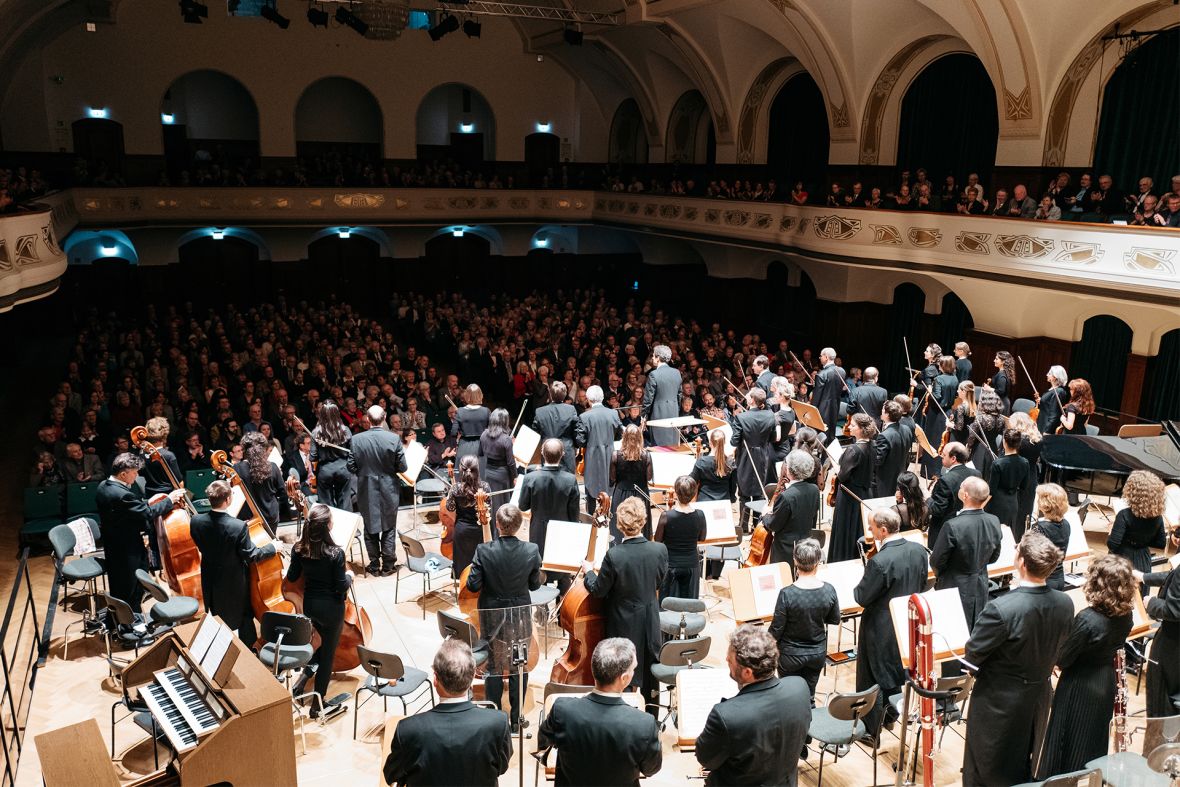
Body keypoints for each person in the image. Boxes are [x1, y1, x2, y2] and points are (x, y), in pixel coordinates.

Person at [961, 531, 1074, 787]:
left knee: (985, 765)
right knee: (1025, 760)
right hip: (1039, 695)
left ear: (1022, 563)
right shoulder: (1065, 602)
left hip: (998, 700)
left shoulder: (1001, 608)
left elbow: (971, 659)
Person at [1038, 555, 1137, 779]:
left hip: (1079, 684)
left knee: (1068, 738)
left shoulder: (1087, 618)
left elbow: (1063, 658)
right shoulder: (1127, 615)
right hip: (1105, 680)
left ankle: (1062, 780)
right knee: (1093, 737)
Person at [382, 640, 511, 787]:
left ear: (435, 679)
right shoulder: (498, 723)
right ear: (472, 677)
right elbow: (501, 768)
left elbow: (391, 775)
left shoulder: (407, 729)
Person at [694, 625, 811, 787]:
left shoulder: (725, 716)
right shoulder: (800, 687)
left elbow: (706, 759)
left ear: (748, 672)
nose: (727, 659)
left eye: (730, 658)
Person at [583, 497, 669, 715]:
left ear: (619, 525)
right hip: (650, 621)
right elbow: (658, 583)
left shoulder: (614, 555)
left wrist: (588, 572)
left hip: (622, 623)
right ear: (643, 520)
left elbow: (598, 590)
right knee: (650, 673)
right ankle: (652, 720)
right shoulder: (659, 550)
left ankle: (622, 717)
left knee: (622, 671)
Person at [538, 638, 663, 787]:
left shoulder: (562, 710)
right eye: (633, 669)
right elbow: (650, 769)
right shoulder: (644, 725)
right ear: (624, 679)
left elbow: (543, 743)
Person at [853, 508, 930, 738]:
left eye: (872, 527)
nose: (870, 531)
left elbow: (862, 597)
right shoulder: (918, 550)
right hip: (908, 621)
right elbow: (923, 581)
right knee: (897, 669)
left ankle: (871, 729)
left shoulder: (879, 561)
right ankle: (891, 716)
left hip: (880, 626)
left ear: (883, 530)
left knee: (873, 676)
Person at [466, 504, 542, 731]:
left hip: (491, 618)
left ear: (497, 525)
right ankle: (517, 719)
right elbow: (534, 585)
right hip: (519, 619)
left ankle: (494, 715)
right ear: (519, 526)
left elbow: (472, 585)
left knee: (495, 667)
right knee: (520, 665)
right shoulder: (531, 550)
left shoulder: (483, 550)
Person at [189, 479, 278, 643]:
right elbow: (251, 555)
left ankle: (221, 647)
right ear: (228, 500)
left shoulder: (196, 521)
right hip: (234, 580)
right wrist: (272, 547)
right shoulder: (237, 526)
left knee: (216, 614)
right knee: (243, 616)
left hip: (209, 576)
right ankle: (248, 649)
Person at [286, 503, 354, 717]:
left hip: (310, 607)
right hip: (332, 610)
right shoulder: (336, 553)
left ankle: (303, 680)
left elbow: (293, 576)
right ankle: (318, 705)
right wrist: (350, 576)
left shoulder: (299, 549)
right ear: (326, 526)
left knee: (317, 644)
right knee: (327, 656)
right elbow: (340, 586)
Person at [97, 453, 186, 612]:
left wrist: (148, 503)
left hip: (113, 544)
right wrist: (169, 500)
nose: (137, 475)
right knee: (130, 586)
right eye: (134, 472)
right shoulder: (123, 494)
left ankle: (122, 618)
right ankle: (132, 622)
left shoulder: (104, 485)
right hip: (127, 548)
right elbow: (146, 513)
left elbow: (132, 509)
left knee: (120, 584)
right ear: (123, 474)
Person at [768, 539, 839, 702]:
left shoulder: (787, 593)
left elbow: (776, 629)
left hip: (790, 655)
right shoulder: (829, 590)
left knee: (788, 698)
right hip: (817, 653)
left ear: (795, 561)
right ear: (818, 562)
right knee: (809, 696)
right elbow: (834, 619)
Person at [930, 477, 1003, 632]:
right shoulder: (994, 520)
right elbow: (994, 556)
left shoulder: (952, 525)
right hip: (981, 581)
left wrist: (942, 576)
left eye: (961, 487)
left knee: (953, 629)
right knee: (975, 627)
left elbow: (936, 561)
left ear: (965, 496)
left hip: (954, 583)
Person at [347, 405, 407, 576]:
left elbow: (350, 466)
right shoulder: (393, 438)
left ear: (368, 418)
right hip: (388, 487)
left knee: (370, 527)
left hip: (366, 488)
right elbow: (402, 466)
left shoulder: (357, 439)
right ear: (385, 417)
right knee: (388, 526)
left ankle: (374, 566)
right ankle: (388, 566)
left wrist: (364, 472)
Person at [519, 439, 581, 593]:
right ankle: (563, 615)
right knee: (563, 575)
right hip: (563, 533)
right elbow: (574, 515)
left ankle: (543, 612)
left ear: (542, 454)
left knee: (540, 574)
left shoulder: (530, 478)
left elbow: (522, 506)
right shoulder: (570, 479)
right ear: (563, 454)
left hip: (538, 532)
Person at [1134, 528, 1180, 721]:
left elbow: (1174, 610)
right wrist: (1144, 577)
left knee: (1162, 705)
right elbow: (1173, 577)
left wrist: (1150, 603)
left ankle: (1159, 749)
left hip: (1172, 645)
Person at [1107, 469, 1166, 593]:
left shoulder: (1124, 515)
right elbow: (1160, 543)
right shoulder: (1158, 517)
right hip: (1143, 559)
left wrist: (1111, 532)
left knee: (1118, 596)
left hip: (1122, 559)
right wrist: (1143, 538)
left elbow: (1113, 545)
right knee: (1139, 596)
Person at [829, 413, 875, 562]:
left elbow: (842, 476)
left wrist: (837, 467)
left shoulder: (854, 450)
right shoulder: (872, 445)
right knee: (856, 528)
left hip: (849, 496)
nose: (849, 426)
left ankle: (841, 559)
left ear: (861, 429)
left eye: (853, 425)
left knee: (845, 529)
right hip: (863, 493)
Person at [763, 450, 819, 568]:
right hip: (806, 546)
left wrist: (765, 515)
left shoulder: (786, 496)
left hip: (786, 551)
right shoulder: (814, 489)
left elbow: (773, 525)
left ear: (789, 469)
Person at [730, 387, 775, 534]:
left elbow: (734, 441)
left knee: (743, 493)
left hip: (746, 456)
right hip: (763, 455)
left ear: (752, 400)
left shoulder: (741, 417)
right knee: (759, 492)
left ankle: (743, 526)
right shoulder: (770, 415)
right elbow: (773, 437)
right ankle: (757, 524)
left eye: (749, 396)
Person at [653, 475, 706, 599]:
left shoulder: (666, 516)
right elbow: (702, 538)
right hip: (691, 566)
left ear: (676, 493)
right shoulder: (700, 515)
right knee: (689, 604)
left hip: (670, 566)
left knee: (668, 605)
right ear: (694, 495)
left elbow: (657, 540)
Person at [927, 442, 981, 548]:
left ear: (953, 458)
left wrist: (928, 498)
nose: (941, 456)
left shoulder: (946, 480)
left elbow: (937, 509)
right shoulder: (976, 474)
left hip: (945, 530)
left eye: (944, 454)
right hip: (968, 527)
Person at [444, 455, 491, 578]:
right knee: (479, 562)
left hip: (461, 531)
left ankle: (463, 592)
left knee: (462, 564)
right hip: (479, 530)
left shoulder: (456, 488)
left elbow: (450, 508)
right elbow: (489, 507)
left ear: (461, 469)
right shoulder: (485, 487)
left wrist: (450, 493)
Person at [579, 385, 622, 512]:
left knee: (591, 485)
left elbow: (580, 441)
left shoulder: (584, 417)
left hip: (592, 456)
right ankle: (610, 514)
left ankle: (592, 517)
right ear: (603, 398)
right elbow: (620, 434)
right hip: (610, 454)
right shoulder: (613, 413)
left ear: (588, 399)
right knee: (610, 484)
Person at [609, 425, 654, 541]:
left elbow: (612, 479)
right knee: (641, 527)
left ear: (624, 437)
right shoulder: (646, 456)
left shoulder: (615, 455)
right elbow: (649, 478)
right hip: (640, 495)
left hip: (621, 495)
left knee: (620, 527)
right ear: (640, 438)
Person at [235, 431, 285, 530]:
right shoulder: (273, 467)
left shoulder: (236, 469)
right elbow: (282, 492)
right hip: (270, 516)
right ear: (264, 448)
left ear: (244, 449)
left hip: (248, 519)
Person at [533, 381, 585, 474]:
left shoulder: (540, 411)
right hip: (566, 449)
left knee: (548, 480)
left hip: (547, 449)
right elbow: (576, 429)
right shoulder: (571, 409)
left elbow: (535, 431)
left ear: (550, 394)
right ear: (565, 394)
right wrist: (576, 446)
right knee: (568, 481)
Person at [987, 428, 1030, 537]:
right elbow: (1024, 486)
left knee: (995, 534)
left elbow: (991, 490)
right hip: (1013, 502)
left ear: (1004, 442)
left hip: (997, 504)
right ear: (1019, 443)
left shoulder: (997, 464)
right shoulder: (1025, 462)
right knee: (1009, 534)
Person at [310, 399, 353, 510]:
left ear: (321, 414)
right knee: (344, 501)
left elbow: (313, 457)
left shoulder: (316, 432)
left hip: (325, 471)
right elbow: (352, 452)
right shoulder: (345, 430)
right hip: (344, 469)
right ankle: (346, 525)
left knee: (327, 505)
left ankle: (329, 526)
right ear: (337, 413)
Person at [477, 408, 516, 525]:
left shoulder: (483, 434)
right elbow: (511, 462)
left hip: (488, 472)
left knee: (492, 503)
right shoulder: (506, 439)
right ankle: (503, 529)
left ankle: (493, 529)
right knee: (503, 504)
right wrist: (515, 476)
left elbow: (480, 453)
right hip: (503, 474)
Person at [1031, 483, 1072, 590]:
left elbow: (1032, 558)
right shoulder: (1066, 524)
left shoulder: (1039, 528)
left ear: (1045, 504)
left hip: (1044, 580)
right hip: (1059, 577)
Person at [1008, 412, 1043, 532]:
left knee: (1014, 511)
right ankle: (1021, 538)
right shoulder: (1037, 439)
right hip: (1031, 476)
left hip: (1017, 478)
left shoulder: (1017, 441)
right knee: (1025, 510)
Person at [642, 344, 682, 447]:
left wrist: (644, 415)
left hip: (658, 414)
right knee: (673, 446)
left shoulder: (653, 374)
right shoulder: (677, 372)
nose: (652, 358)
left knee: (659, 447)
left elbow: (648, 399)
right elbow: (679, 396)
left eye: (653, 356)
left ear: (658, 357)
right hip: (673, 412)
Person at [872, 401, 908, 497]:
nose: (881, 412)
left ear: (887, 415)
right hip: (900, 474)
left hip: (885, 479)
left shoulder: (884, 436)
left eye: (883, 410)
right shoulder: (906, 429)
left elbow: (878, 460)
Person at [691, 428, 737, 503]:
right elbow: (733, 486)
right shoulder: (730, 462)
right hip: (724, 502)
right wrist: (732, 499)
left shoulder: (702, 462)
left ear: (710, 443)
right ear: (724, 442)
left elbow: (692, 482)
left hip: (704, 502)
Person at [812, 347, 844, 443]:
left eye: (821, 356)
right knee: (831, 432)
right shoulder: (842, 371)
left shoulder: (821, 374)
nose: (819, 358)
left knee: (822, 434)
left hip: (822, 409)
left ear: (826, 357)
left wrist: (812, 410)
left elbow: (816, 397)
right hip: (835, 406)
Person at [453, 383, 490, 464]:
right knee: (481, 473)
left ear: (467, 396)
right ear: (480, 395)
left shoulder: (460, 411)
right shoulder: (486, 411)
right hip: (482, 447)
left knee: (463, 473)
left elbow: (453, 432)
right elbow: (491, 430)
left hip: (464, 446)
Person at [1037, 365, 1070, 435]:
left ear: (1055, 377)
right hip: (1042, 421)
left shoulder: (1058, 392)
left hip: (1046, 427)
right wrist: (1042, 402)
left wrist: (1047, 431)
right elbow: (1048, 406)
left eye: (1049, 374)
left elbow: (1054, 414)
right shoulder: (1053, 389)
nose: (1047, 375)